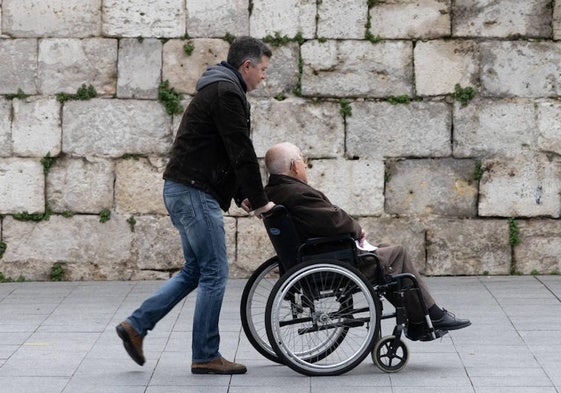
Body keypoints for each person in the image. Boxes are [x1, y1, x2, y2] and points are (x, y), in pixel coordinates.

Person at [116, 37, 275, 374]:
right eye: (262, 69)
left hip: (183, 189)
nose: (264, 77)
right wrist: (259, 200)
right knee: (215, 271)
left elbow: (217, 153)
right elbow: (240, 151)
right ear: (246, 66)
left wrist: (240, 195)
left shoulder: (220, 88)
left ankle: (136, 326)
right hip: (193, 192)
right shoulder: (227, 93)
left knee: (196, 271)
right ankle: (205, 354)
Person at [263, 142, 471, 341]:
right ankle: (428, 317)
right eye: (303, 160)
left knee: (387, 252)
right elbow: (333, 221)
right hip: (331, 261)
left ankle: (422, 320)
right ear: (294, 166)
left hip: (316, 256)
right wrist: (357, 230)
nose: (305, 165)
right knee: (397, 254)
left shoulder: (275, 190)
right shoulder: (298, 193)